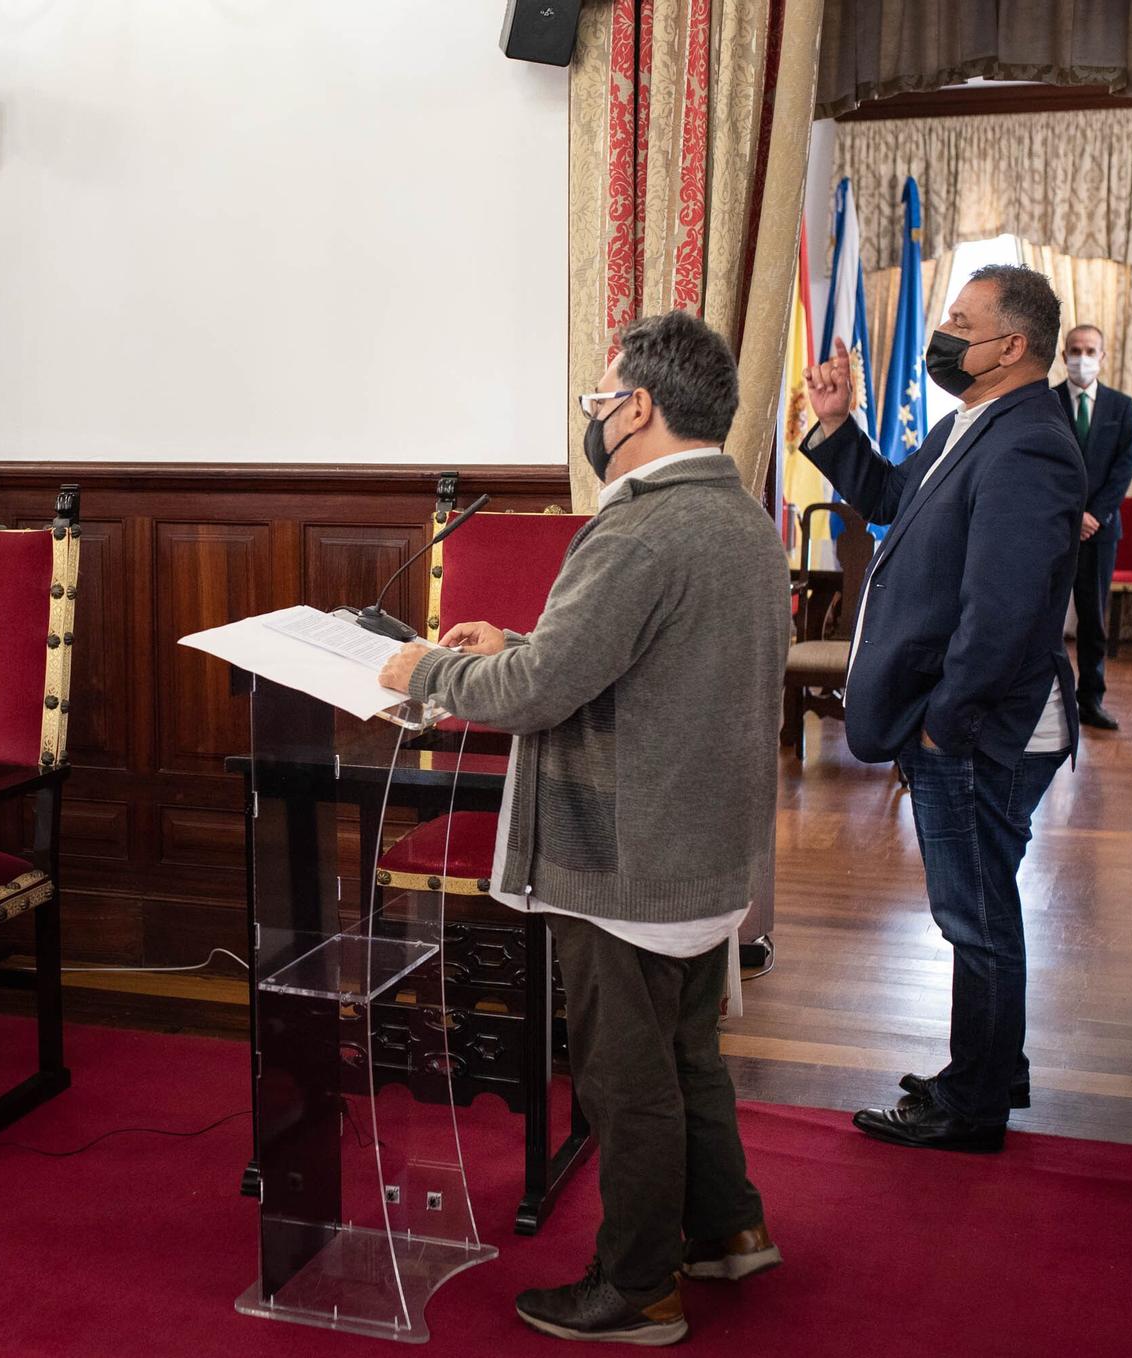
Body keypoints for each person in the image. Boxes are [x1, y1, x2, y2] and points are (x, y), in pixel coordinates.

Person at [378, 310, 791, 1347]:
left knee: (624, 1076)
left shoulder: (641, 523)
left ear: (636, 406)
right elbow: (653, 665)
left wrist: (422, 669)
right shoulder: (737, 515)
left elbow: (539, 692)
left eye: (597, 399)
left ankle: (637, 1284)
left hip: (625, 855)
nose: (592, 418)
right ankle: (727, 1224)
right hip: (701, 846)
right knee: (688, 1050)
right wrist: (517, 639)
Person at [800, 264, 1085, 1153]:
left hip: (977, 728)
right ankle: (990, 1072)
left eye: (962, 320)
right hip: (963, 720)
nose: (944, 332)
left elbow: (1001, 612)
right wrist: (839, 423)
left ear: (1010, 346)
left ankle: (974, 1108)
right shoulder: (980, 420)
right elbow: (892, 504)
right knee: (983, 910)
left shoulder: (1030, 440)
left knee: (976, 917)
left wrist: (943, 722)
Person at [1053, 324, 1132, 731]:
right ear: (1062, 353)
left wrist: (1094, 515)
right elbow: (1042, 468)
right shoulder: (1046, 402)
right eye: (1075, 349)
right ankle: (1042, 699)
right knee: (1044, 617)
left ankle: (1091, 700)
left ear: (1102, 356)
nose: (1082, 357)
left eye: (1090, 350)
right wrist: (1071, 515)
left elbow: (1123, 470)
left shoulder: (1121, 407)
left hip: (1100, 532)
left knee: (1093, 619)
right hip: (1053, 529)